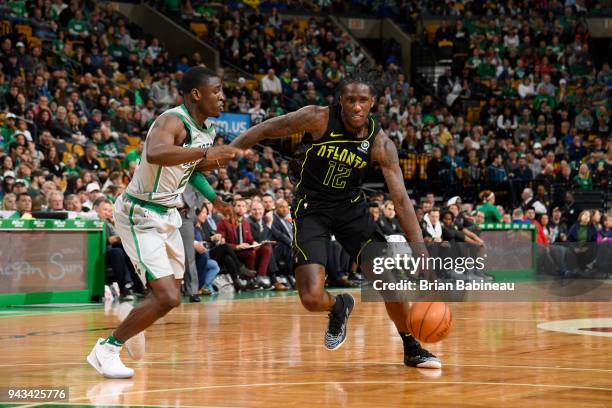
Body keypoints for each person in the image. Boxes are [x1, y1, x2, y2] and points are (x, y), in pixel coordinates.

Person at [231, 72, 441, 368]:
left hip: (351, 211)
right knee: (311, 298)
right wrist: (231, 150)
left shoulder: (381, 144)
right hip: (311, 210)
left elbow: (402, 202)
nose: (356, 107)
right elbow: (267, 128)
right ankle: (339, 304)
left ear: (373, 103)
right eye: (351, 100)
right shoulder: (316, 118)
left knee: (388, 279)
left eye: (363, 101)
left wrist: (421, 253)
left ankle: (410, 345)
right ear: (341, 100)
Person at [87, 66, 241, 379]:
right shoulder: (172, 119)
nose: (223, 97)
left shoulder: (203, 130)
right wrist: (206, 152)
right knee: (167, 296)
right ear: (197, 94)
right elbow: (156, 153)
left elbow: (192, 169)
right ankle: (106, 348)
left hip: (169, 214)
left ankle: (134, 322)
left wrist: (215, 200)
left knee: (172, 292)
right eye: (217, 91)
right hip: (140, 212)